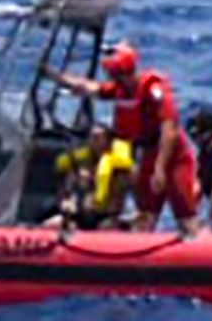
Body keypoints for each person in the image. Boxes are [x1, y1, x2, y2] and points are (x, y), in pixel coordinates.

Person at [54, 41, 197, 229]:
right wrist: (55, 76)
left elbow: (169, 128)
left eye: (116, 75)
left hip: (172, 156)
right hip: (147, 153)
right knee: (146, 212)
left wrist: (160, 167)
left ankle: (199, 246)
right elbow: (89, 88)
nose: (114, 80)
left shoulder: (153, 88)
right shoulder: (119, 91)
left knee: (184, 211)